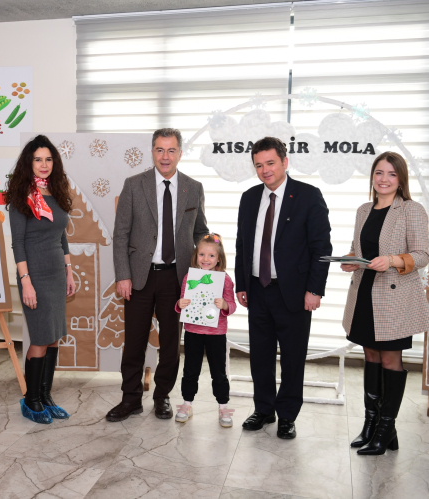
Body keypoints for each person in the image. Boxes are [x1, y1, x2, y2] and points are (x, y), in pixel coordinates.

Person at [107, 128, 210, 422]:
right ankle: (130, 399)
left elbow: (201, 231)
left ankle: (162, 396)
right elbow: (121, 234)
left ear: (180, 153)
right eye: (160, 150)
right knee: (134, 342)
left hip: (176, 278)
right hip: (139, 277)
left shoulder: (193, 187)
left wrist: (212, 250)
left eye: (171, 150)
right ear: (152, 152)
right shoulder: (133, 185)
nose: (165, 156)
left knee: (170, 344)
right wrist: (123, 275)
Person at [235, 137, 332, 439]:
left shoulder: (308, 195)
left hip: (294, 292)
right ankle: (264, 409)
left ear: (285, 162)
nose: (265, 170)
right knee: (260, 355)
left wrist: (315, 290)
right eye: (259, 165)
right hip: (257, 289)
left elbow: (321, 247)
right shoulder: (249, 198)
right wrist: (241, 283)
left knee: (292, 357)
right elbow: (242, 244)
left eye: (270, 163)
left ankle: (287, 415)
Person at [341, 151, 429, 455]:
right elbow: (358, 248)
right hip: (364, 293)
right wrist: (350, 260)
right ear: (372, 176)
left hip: (394, 299)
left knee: (391, 360)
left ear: (401, 179)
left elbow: (422, 255)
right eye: (379, 172)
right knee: (370, 355)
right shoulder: (363, 210)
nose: (384, 179)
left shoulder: (411, 209)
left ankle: (385, 429)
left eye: (391, 174)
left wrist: (392, 260)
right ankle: (371, 424)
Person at [4, 135, 76, 424]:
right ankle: (31, 400)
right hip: (34, 275)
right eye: (38, 159)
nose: (44, 164)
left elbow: (61, 235)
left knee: (54, 337)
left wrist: (69, 271)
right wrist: (26, 281)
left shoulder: (56, 192)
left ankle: (46, 396)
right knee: (41, 337)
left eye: (48, 159)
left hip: (57, 274)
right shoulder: (21, 197)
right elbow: (18, 243)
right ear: (29, 162)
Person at [174, 234, 237, 427]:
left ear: (219, 258)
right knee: (190, 370)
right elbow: (182, 302)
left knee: (218, 372)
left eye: (211, 255)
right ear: (196, 256)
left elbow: (232, 305)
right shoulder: (189, 278)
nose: (206, 259)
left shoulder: (225, 280)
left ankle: (223, 406)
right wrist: (180, 304)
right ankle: (187, 404)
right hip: (193, 332)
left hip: (216, 334)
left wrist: (224, 304)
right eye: (202, 254)